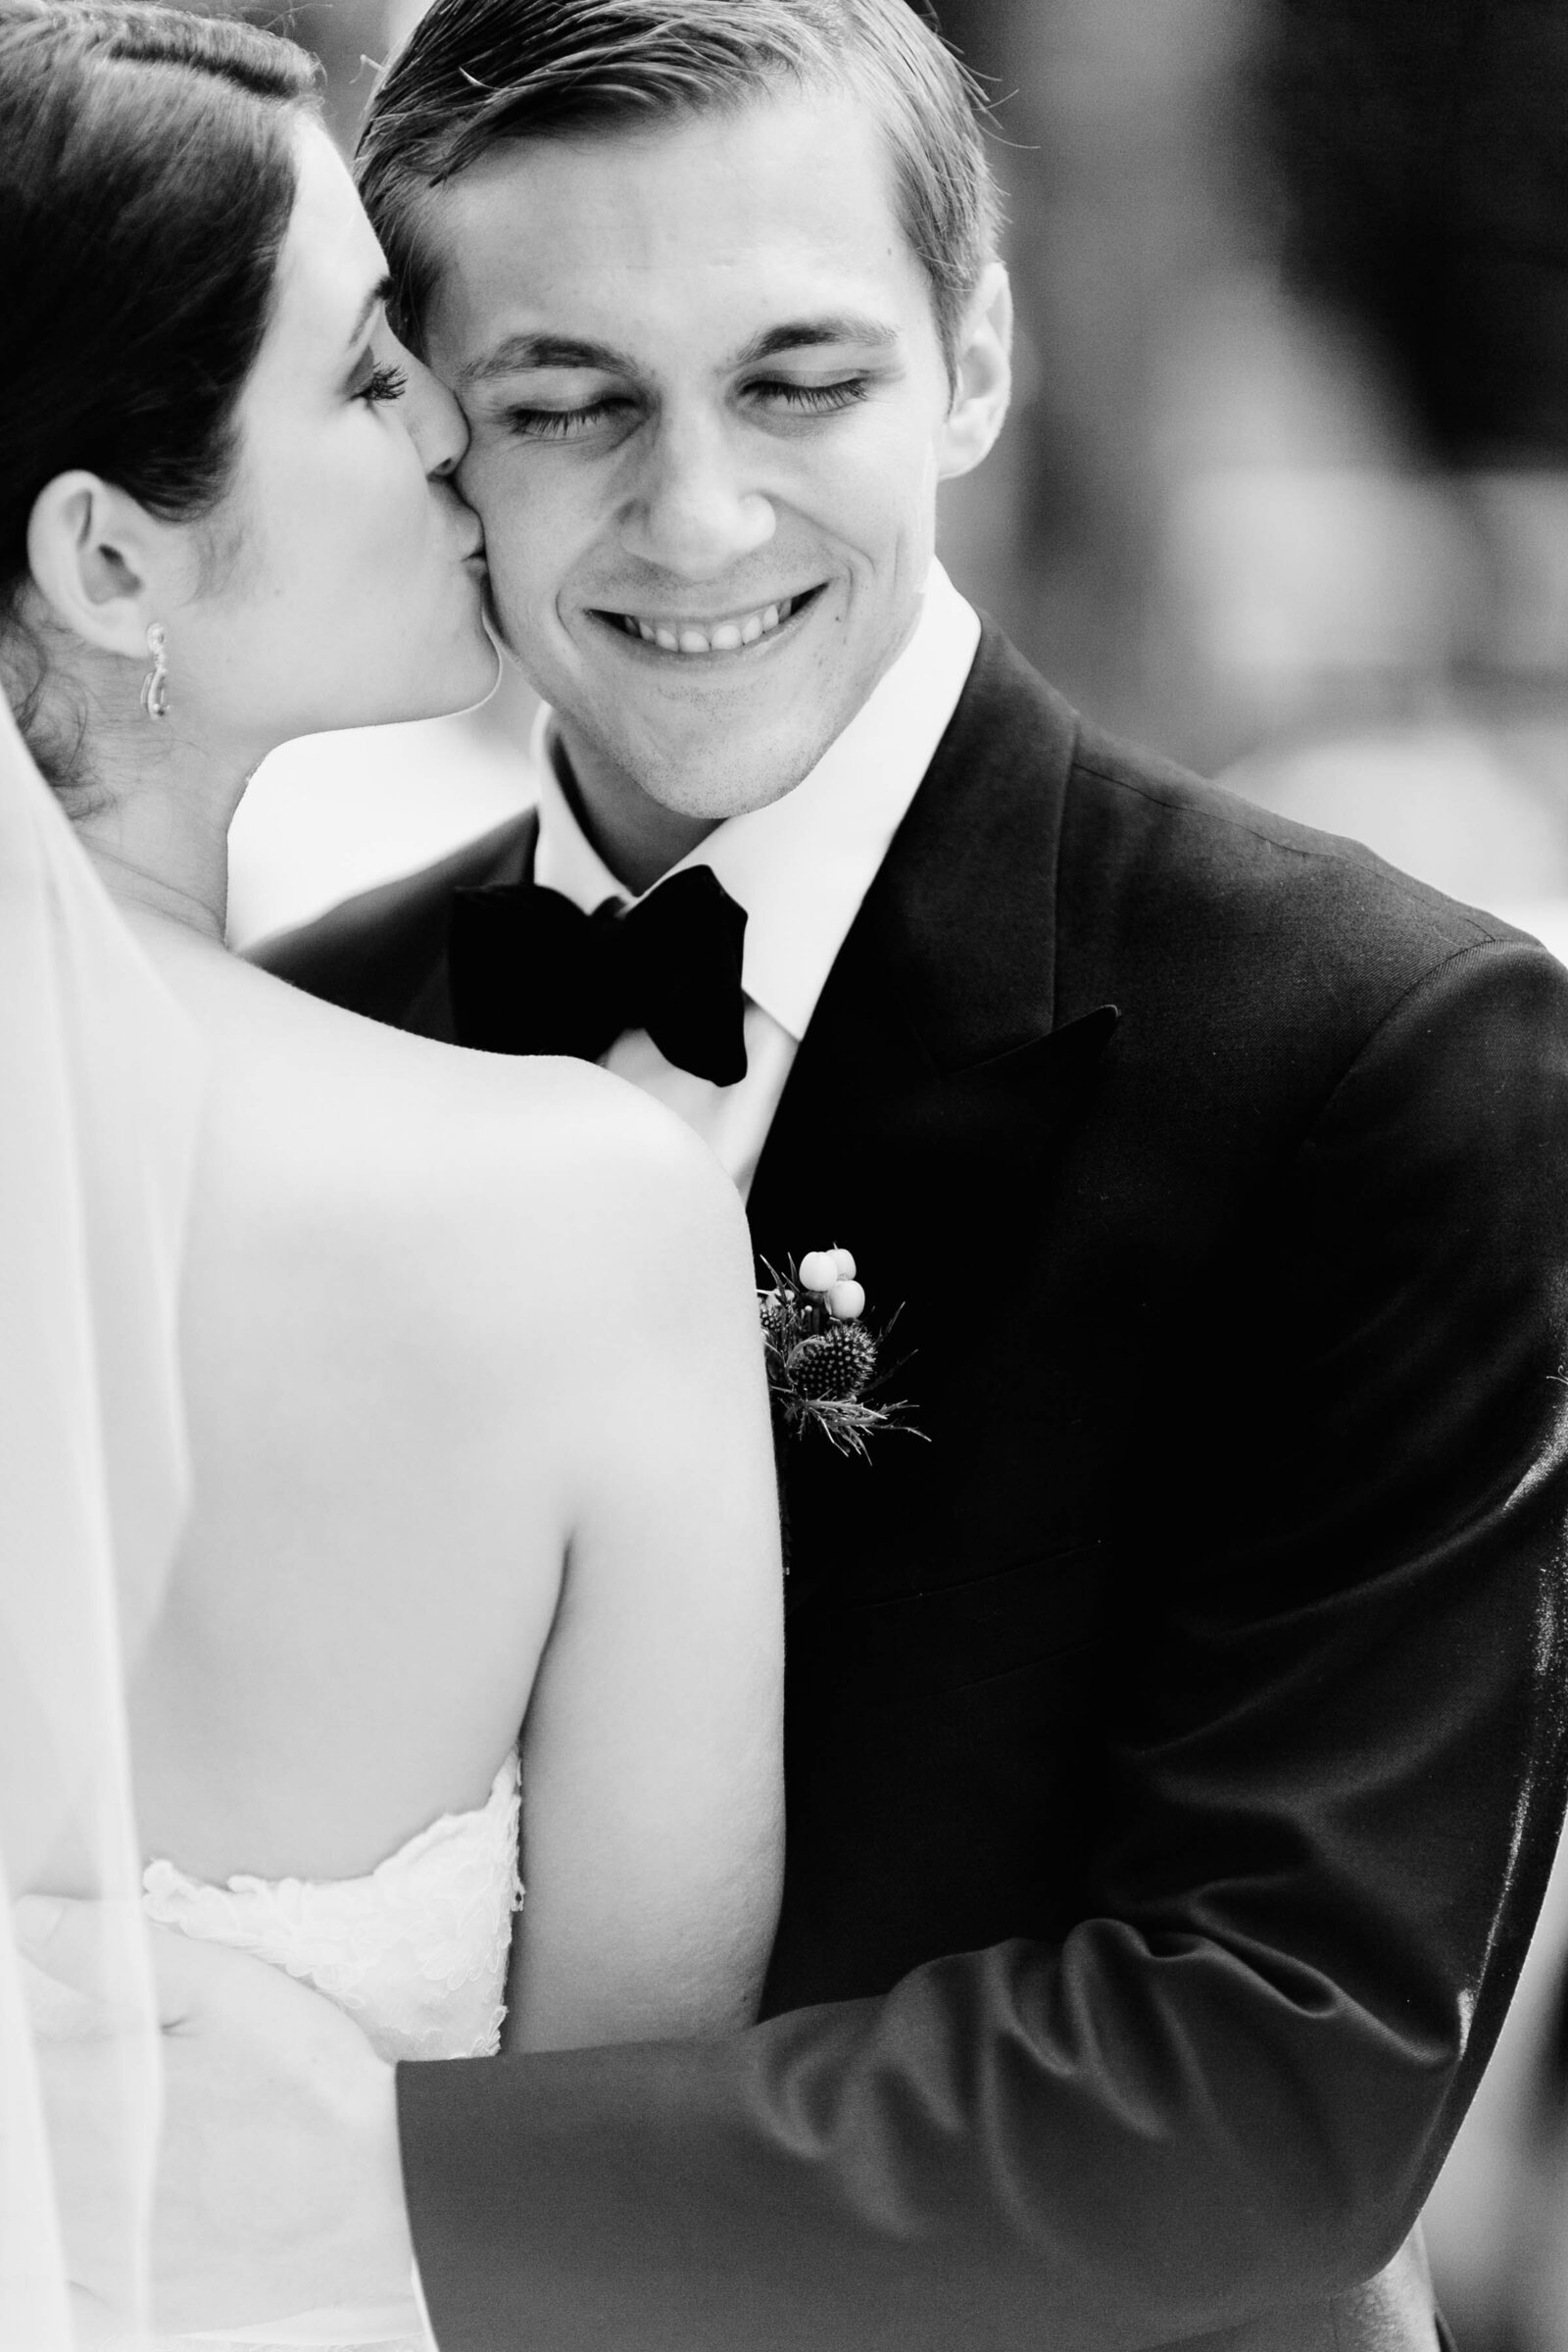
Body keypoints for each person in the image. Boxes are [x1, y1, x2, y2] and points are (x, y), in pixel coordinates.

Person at [23, 1, 1568, 2348]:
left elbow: (1289, 2074)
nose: (697, 516)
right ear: (433, 432)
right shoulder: (288, 1020)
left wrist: (376, 2182)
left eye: (798, 381)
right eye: (564, 402)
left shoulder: (1381, 1055)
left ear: (971, 362)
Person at [1, 5, 784, 2344]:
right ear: (110, 562)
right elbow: (629, 2167)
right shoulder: (576, 1220)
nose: (460, 431)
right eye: (362, 377)